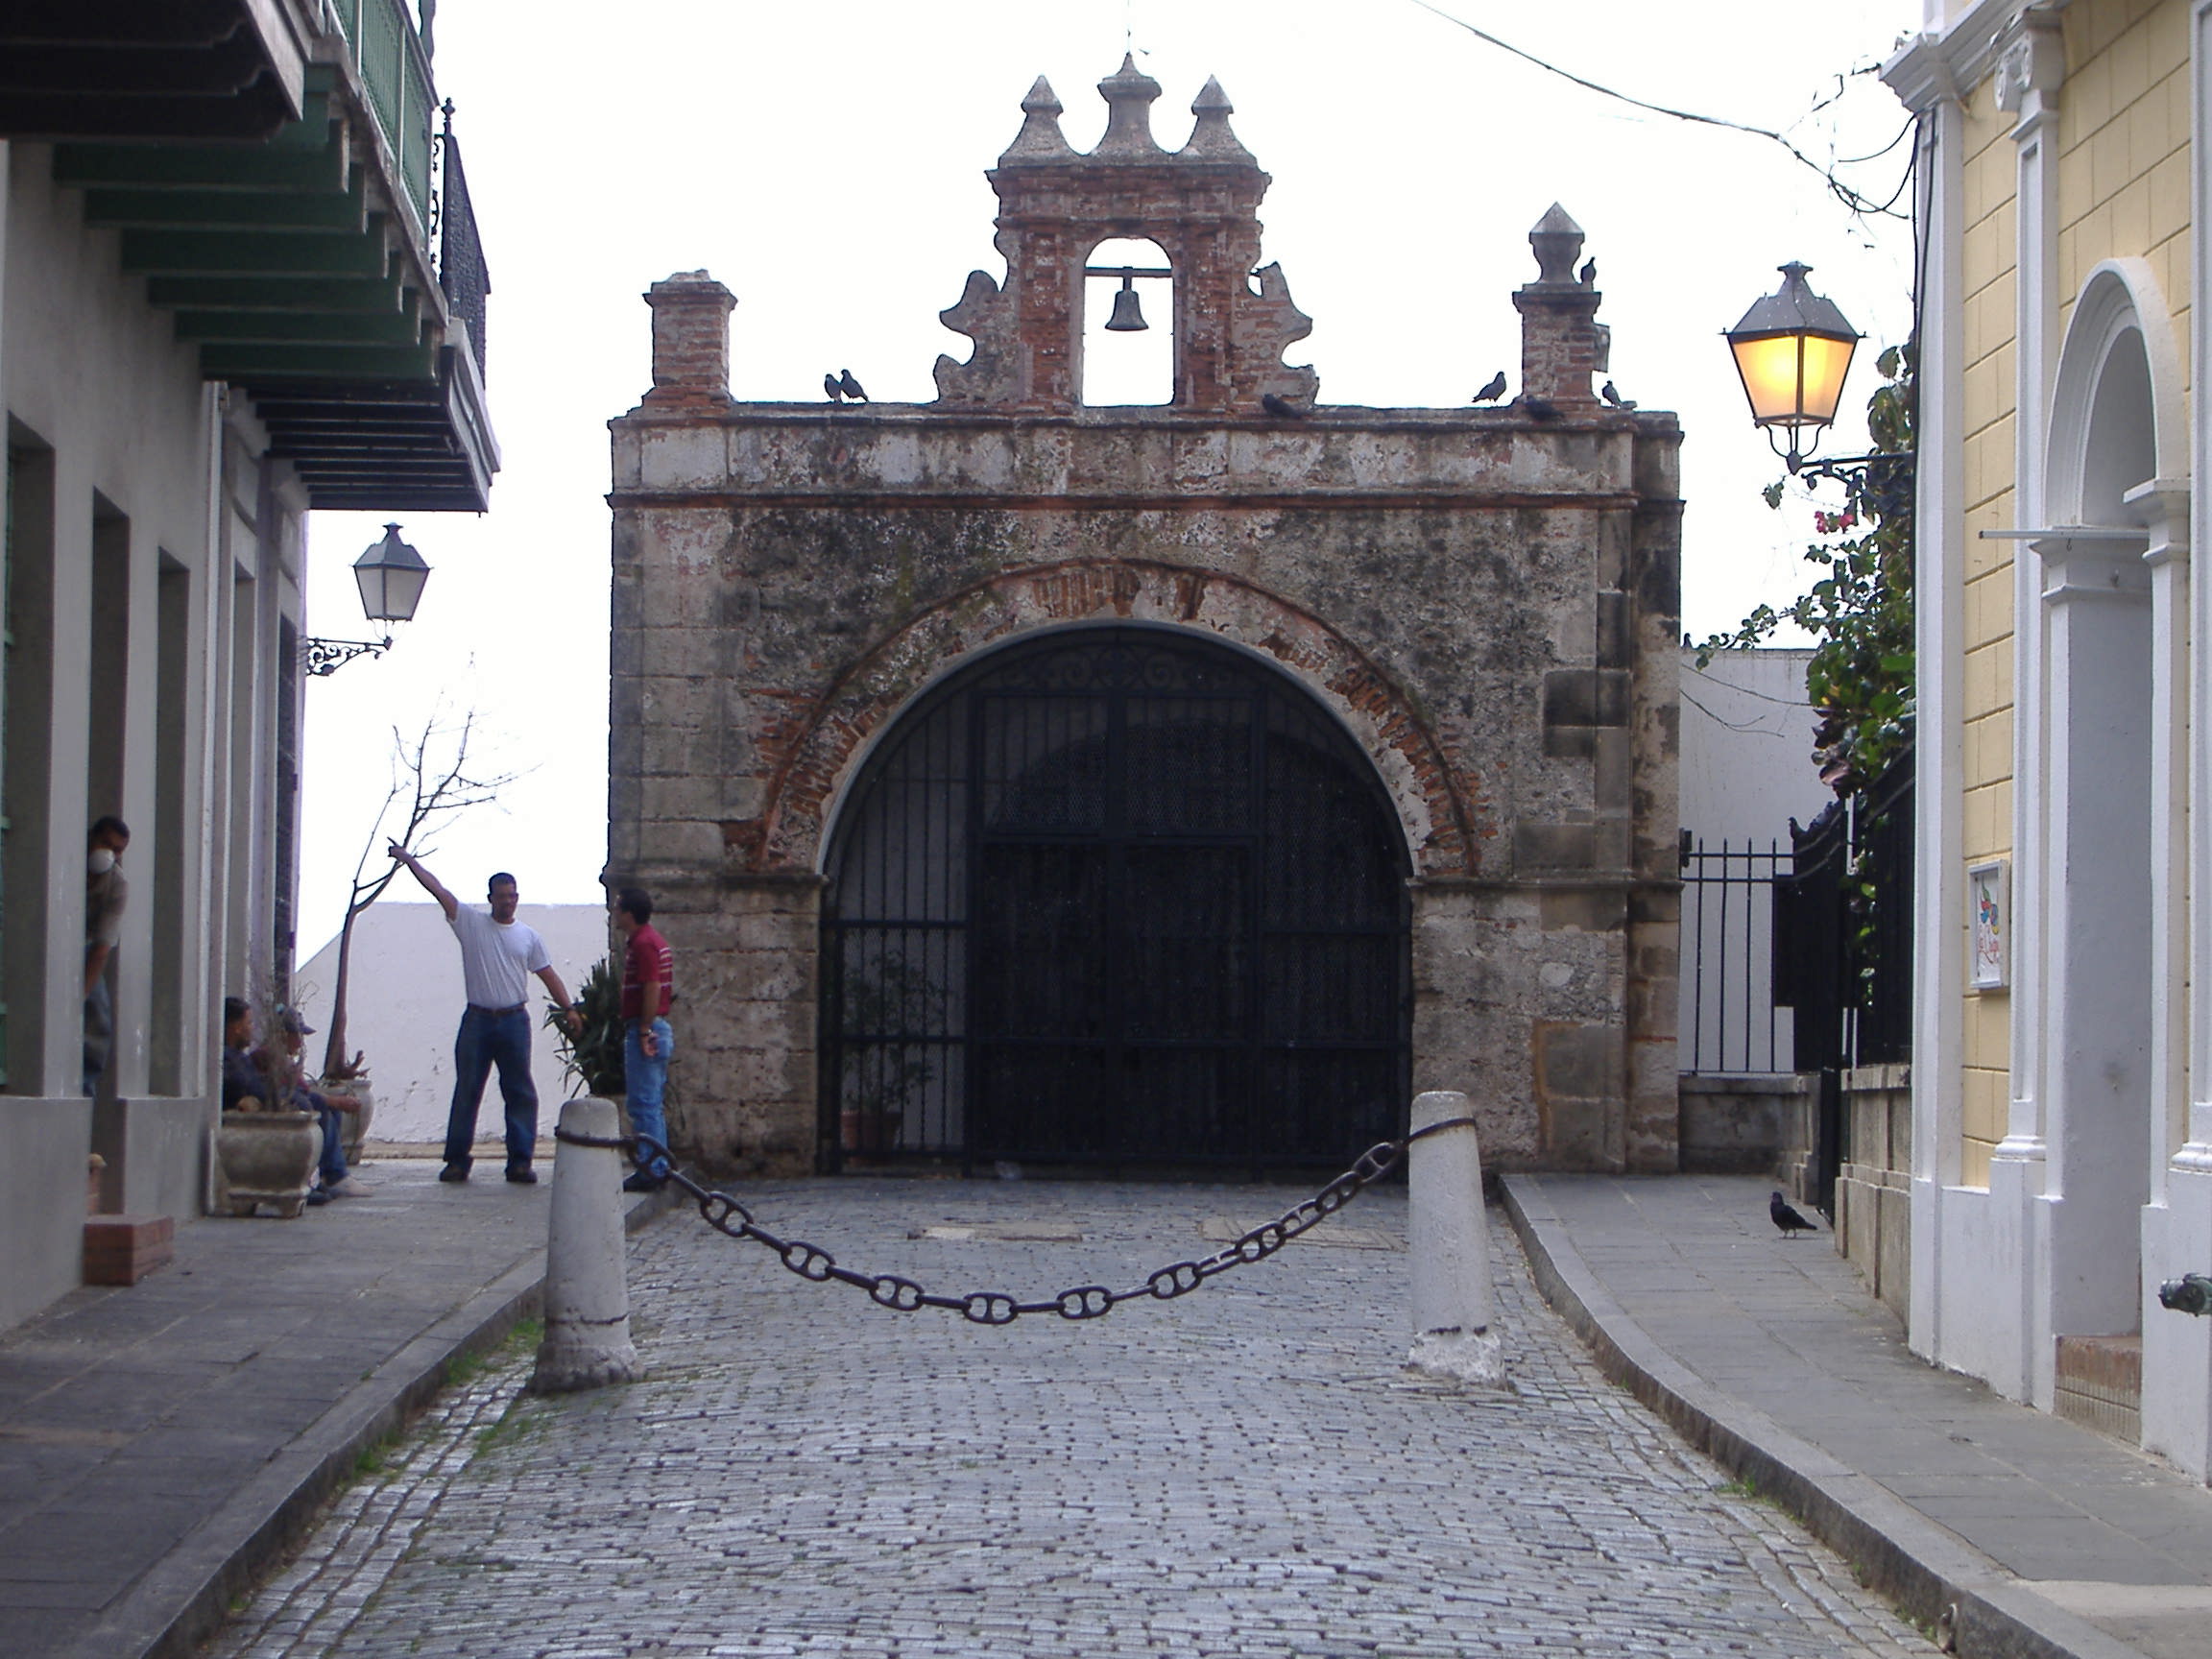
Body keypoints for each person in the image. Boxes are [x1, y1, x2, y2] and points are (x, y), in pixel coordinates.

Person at [390, 844, 581, 1185]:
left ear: (517, 897)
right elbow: (438, 890)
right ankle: (457, 1162)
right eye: (502, 896)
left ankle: (520, 1162)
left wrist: (569, 1009)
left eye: (512, 896)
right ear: (490, 898)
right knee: (467, 1090)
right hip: (477, 1020)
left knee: (519, 1090)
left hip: (514, 1021)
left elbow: (548, 974)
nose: (508, 901)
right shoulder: (470, 924)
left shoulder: (528, 937)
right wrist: (409, 862)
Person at [612, 886, 675, 1192]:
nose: (614, 912)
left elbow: (652, 986)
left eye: (618, 907)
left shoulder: (643, 944)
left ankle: (651, 1167)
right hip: (654, 1026)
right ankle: (657, 1164)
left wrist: (644, 1030)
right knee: (651, 1102)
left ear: (629, 913)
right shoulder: (649, 940)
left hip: (646, 1027)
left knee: (644, 1103)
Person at [84, 816, 131, 1097]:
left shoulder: (117, 884)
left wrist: (84, 993)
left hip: (87, 947)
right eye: (105, 844)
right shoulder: (70, 859)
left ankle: (85, 1087)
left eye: (117, 850)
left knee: (98, 1016)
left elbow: (103, 947)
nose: (108, 854)